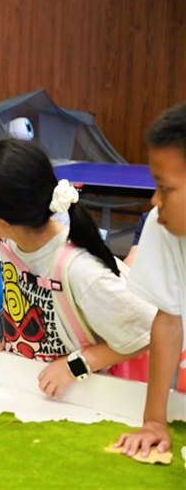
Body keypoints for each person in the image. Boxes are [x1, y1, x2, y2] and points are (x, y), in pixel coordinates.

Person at [0, 138, 155, 398]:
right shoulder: (11, 243)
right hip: (32, 388)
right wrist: (17, 338)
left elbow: (149, 333)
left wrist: (76, 365)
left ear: (4, 222)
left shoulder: (80, 269)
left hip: (86, 397)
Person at [115, 102, 186, 459]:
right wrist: (154, 421)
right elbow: (169, 318)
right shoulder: (165, 225)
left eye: (165, 187)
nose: (155, 200)